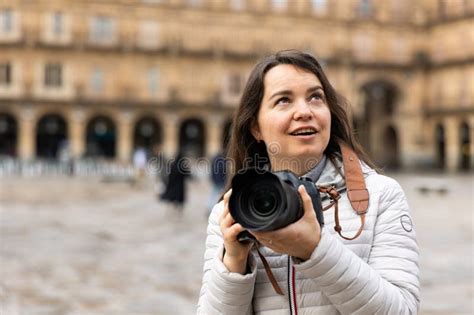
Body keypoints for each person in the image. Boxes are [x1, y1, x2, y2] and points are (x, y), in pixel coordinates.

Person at [197, 50, 420, 314]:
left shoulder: (382, 196)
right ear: (255, 126)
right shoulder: (233, 211)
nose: (304, 111)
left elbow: (402, 311)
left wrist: (315, 250)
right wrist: (234, 261)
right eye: (283, 100)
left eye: (316, 97)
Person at [207, 150, 227, 215]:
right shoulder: (220, 160)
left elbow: (213, 171)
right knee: (217, 195)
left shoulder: (215, 159)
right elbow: (221, 171)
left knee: (214, 194)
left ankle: (210, 207)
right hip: (219, 181)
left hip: (216, 180)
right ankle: (211, 208)